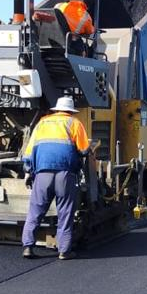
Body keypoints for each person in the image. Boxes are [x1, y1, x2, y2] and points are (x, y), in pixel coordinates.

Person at [21, 96, 90, 260]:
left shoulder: (42, 123)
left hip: (42, 174)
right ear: (70, 111)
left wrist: (28, 170)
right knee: (65, 213)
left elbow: (29, 152)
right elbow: (84, 149)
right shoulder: (74, 123)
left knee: (35, 211)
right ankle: (64, 251)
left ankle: (28, 247)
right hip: (65, 175)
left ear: (57, 109)